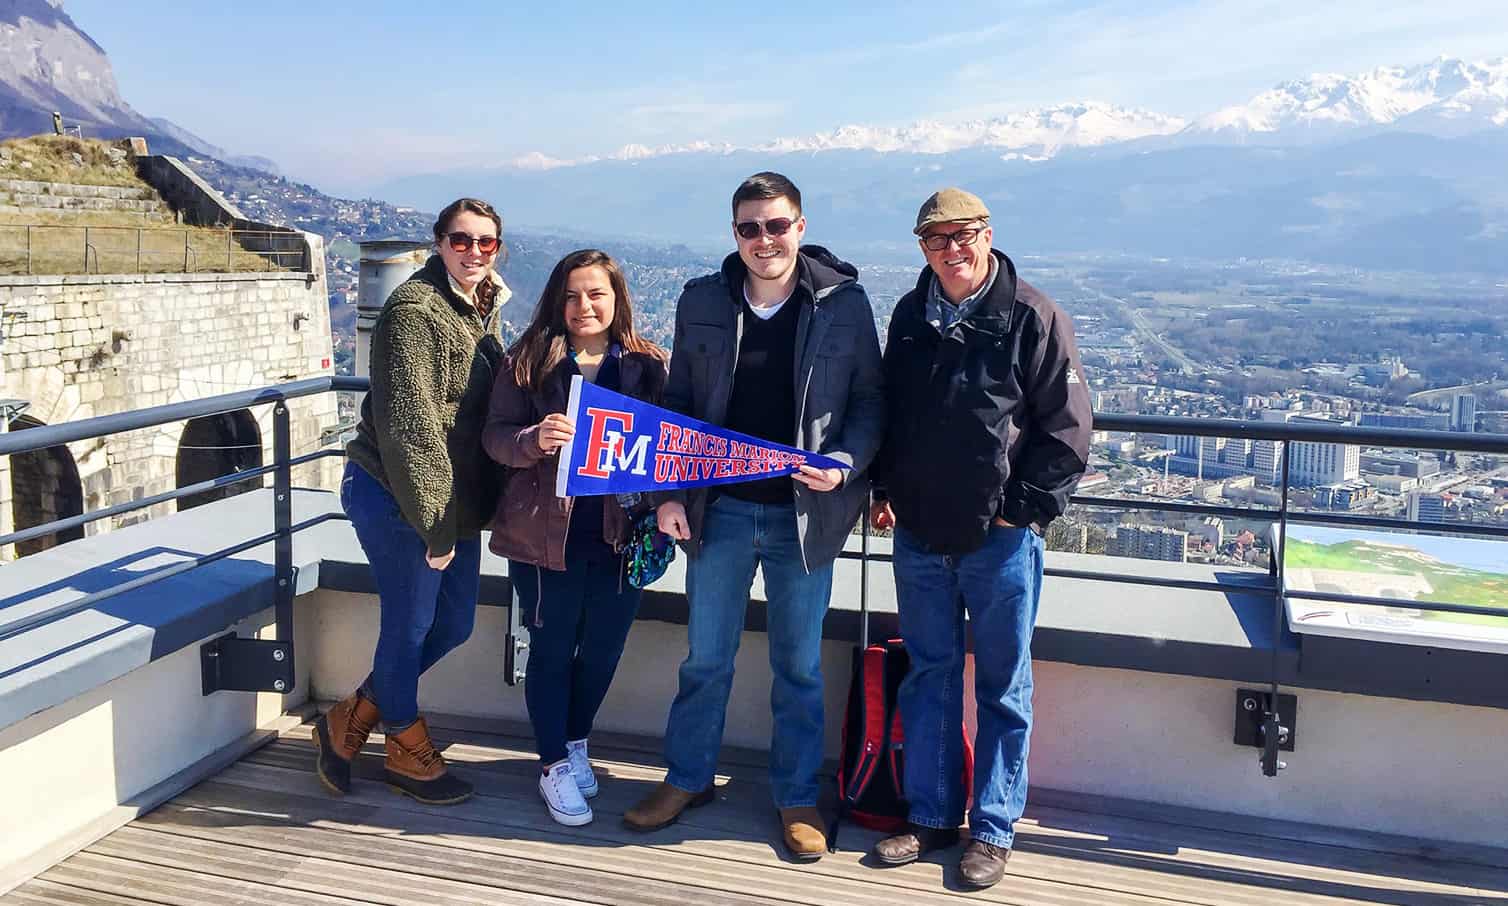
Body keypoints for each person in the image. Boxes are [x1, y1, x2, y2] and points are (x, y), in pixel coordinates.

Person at [622, 172, 885, 861]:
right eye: (749, 228)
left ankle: (797, 796)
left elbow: (869, 403)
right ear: (734, 233)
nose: (764, 240)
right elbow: (678, 403)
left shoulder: (844, 307)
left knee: (799, 665)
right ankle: (687, 780)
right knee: (705, 658)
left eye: (776, 225)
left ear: (800, 226)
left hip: (807, 516)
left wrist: (846, 463)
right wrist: (668, 495)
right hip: (722, 511)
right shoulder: (702, 301)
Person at [868, 188, 1091, 889]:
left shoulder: (1031, 315)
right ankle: (932, 815)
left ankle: (993, 829)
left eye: (963, 236)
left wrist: (1017, 512)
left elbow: (1067, 428)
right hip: (920, 532)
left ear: (988, 236)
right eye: (937, 240)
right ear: (922, 248)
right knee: (930, 676)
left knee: (1002, 686)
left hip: (998, 541)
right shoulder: (910, 315)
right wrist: (883, 489)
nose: (952, 250)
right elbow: (890, 412)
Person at [315, 198, 511, 806]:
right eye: (461, 240)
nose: (473, 251)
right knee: (411, 625)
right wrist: (435, 528)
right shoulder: (413, 311)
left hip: (449, 500)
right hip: (398, 494)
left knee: (452, 624)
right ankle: (402, 739)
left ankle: (351, 715)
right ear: (438, 242)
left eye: (486, 242)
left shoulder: (480, 304)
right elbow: (410, 426)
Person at [482, 249, 668, 826]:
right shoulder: (529, 361)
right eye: (571, 295)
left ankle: (577, 739)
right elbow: (494, 437)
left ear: (617, 300)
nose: (584, 306)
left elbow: (670, 449)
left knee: (604, 650)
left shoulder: (648, 366)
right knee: (553, 649)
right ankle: (552, 763)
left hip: (620, 536)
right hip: (545, 538)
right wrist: (533, 439)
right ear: (555, 302)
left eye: (596, 294)